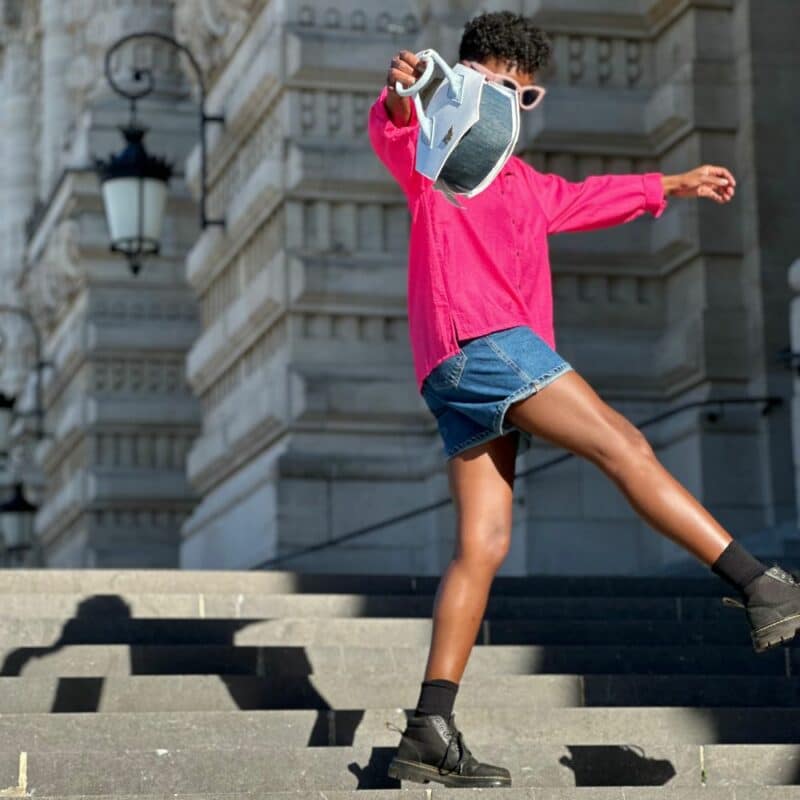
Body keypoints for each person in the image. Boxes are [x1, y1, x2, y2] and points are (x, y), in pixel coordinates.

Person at [367, 10, 800, 790]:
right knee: (621, 444)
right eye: (504, 91)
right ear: (467, 83)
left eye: (528, 100)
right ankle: (758, 585)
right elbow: (398, 121)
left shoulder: (527, 187)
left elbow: (590, 196)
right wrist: (405, 92)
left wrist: (674, 182)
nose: (515, 112)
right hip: (485, 344)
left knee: (484, 544)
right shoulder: (431, 156)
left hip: (459, 371)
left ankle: (430, 728)